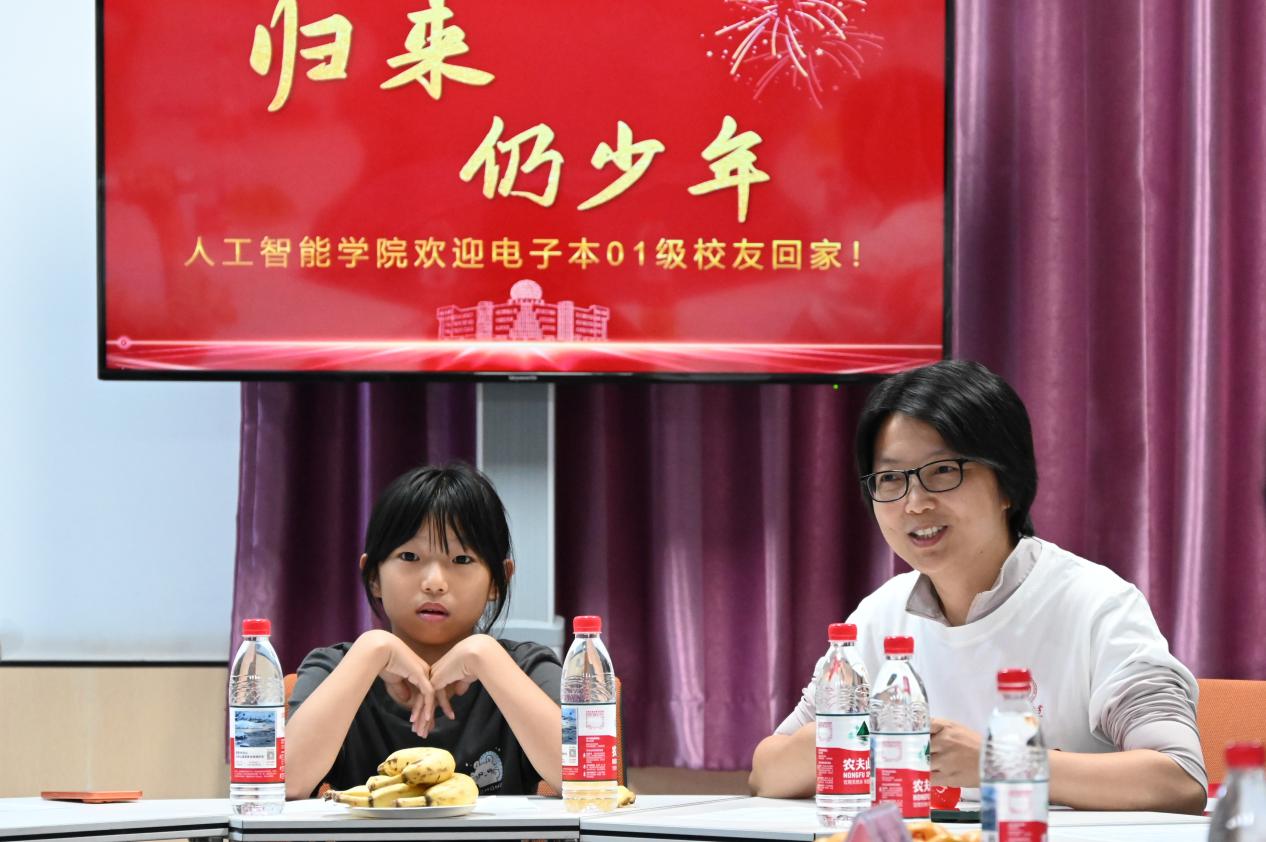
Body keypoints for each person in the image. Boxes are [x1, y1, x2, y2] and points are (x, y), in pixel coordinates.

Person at [749, 360, 1207, 813]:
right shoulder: (880, 615)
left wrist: (1001, 761)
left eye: (943, 470)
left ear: (1007, 483)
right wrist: (862, 731)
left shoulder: (1098, 604)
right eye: (890, 478)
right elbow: (768, 773)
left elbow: (1179, 779)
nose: (915, 503)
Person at [285, 463, 562, 799]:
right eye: (409, 556)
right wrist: (372, 651)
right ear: (373, 576)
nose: (434, 583)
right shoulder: (336, 667)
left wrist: (486, 656)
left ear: (498, 580)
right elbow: (286, 784)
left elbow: (587, 777)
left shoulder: (527, 668)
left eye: (461, 560)